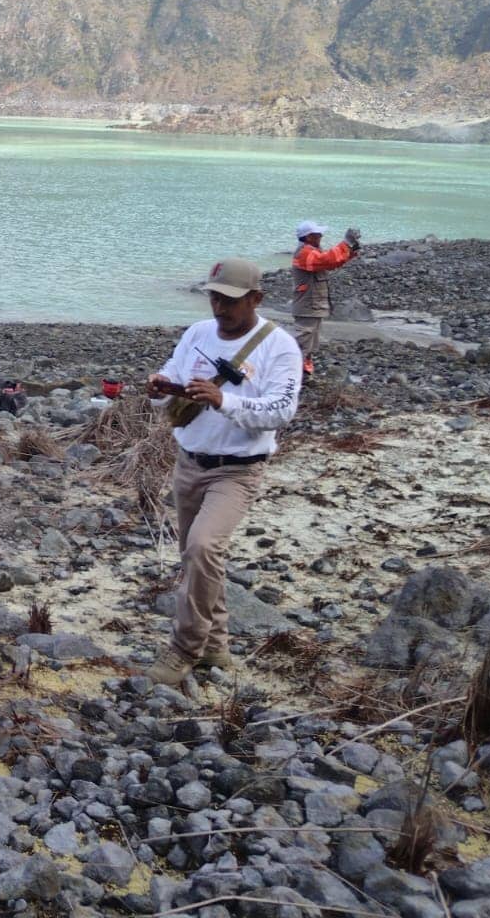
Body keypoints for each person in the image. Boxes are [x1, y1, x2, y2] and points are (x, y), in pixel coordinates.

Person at [144, 257, 302, 688]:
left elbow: (281, 411)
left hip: (238, 470)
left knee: (203, 546)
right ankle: (216, 644)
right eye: (214, 297)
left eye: (230, 300)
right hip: (189, 462)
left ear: (256, 298)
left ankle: (184, 648)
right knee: (196, 557)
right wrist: (162, 385)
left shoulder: (280, 346)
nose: (219, 308)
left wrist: (222, 400)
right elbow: (176, 373)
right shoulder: (197, 334)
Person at [290, 220, 361, 380]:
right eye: (317, 234)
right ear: (308, 237)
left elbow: (331, 263)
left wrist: (350, 251)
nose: (321, 236)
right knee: (303, 338)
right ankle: (292, 369)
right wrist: (346, 243)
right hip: (307, 305)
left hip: (312, 304)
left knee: (311, 340)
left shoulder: (312, 251)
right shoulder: (305, 252)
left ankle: (303, 369)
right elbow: (328, 260)